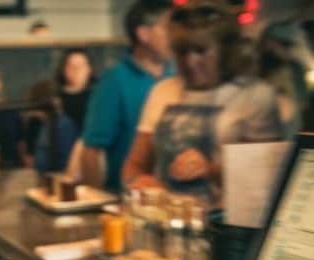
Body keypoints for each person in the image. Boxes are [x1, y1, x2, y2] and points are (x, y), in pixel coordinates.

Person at [122, 0, 284, 204]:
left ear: (225, 50)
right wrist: (138, 180)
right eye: (182, 52)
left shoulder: (255, 96)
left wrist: (210, 169)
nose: (190, 61)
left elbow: (266, 178)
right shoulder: (162, 91)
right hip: (168, 220)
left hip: (228, 227)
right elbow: (135, 164)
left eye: (201, 50)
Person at [68, 0, 173, 191]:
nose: (175, 37)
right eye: (167, 29)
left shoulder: (177, 76)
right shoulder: (114, 81)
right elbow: (91, 149)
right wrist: (98, 201)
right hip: (127, 197)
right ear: (144, 34)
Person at [55, 48, 96, 134]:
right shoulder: (53, 98)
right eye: (71, 66)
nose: (76, 70)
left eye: (81, 66)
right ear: (63, 70)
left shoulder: (98, 97)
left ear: (89, 69)